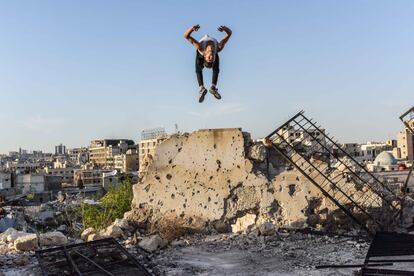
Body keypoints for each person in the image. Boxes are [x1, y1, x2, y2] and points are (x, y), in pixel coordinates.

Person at [184, 24, 232, 103]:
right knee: (216, 65)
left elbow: (186, 35)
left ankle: (203, 88)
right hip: (214, 51)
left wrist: (192, 28)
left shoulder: (200, 47)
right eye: (212, 58)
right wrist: (225, 29)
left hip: (201, 52)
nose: (211, 57)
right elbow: (229, 34)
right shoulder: (218, 48)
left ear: (205, 56)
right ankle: (211, 87)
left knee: (198, 69)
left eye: (209, 58)